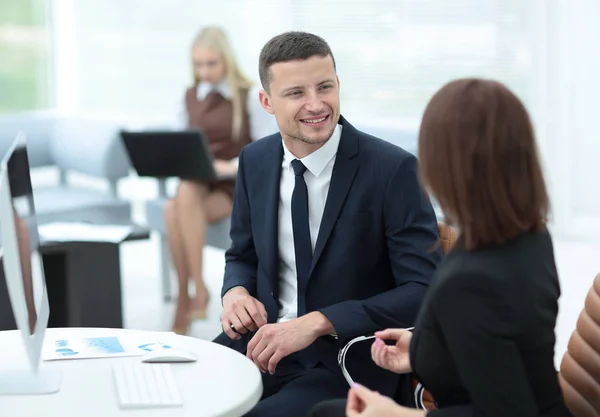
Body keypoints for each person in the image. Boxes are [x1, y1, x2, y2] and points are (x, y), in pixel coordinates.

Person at [309, 79, 573, 416]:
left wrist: (399, 415)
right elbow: (503, 343)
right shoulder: (528, 234)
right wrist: (421, 352)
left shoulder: (472, 281)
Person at [212, 31, 441, 417]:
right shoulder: (254, 160)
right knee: (176, 394)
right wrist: (234, 292)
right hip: (261, 342)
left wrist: (319, 322)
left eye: (325, 87)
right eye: (296, 93)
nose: (316, 104)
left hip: (344, 359)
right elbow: (241, 254)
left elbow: (423, 290)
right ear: (266, 102)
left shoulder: (393, 170)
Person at [164, 26, 276, 335]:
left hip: (233, 184)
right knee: (178, 202)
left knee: (175, 206)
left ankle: (188, 298)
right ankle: (196, 291)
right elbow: (178, 144)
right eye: (198, 64)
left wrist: (229, 165)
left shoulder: (248, 96)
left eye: (211, 63)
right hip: (197, 185)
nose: (204, 71)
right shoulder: (189, 96)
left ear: (226, 60)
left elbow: (269, 149)